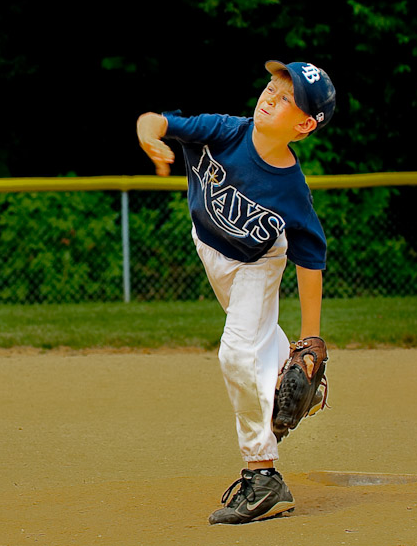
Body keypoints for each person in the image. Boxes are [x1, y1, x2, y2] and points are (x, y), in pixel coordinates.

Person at [136, 60, 336, 525]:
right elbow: (159, 120)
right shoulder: (224, 131)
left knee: (236, 352)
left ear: (305, 125)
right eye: (273, 86)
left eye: (287, 98)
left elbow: (311, 260)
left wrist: (312, 340)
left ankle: (262, 476)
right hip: (209, 247)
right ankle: (309, 384)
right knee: (256, 343)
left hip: (258, 263)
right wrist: (150, 134)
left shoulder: (291, 188)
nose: (271, 96)